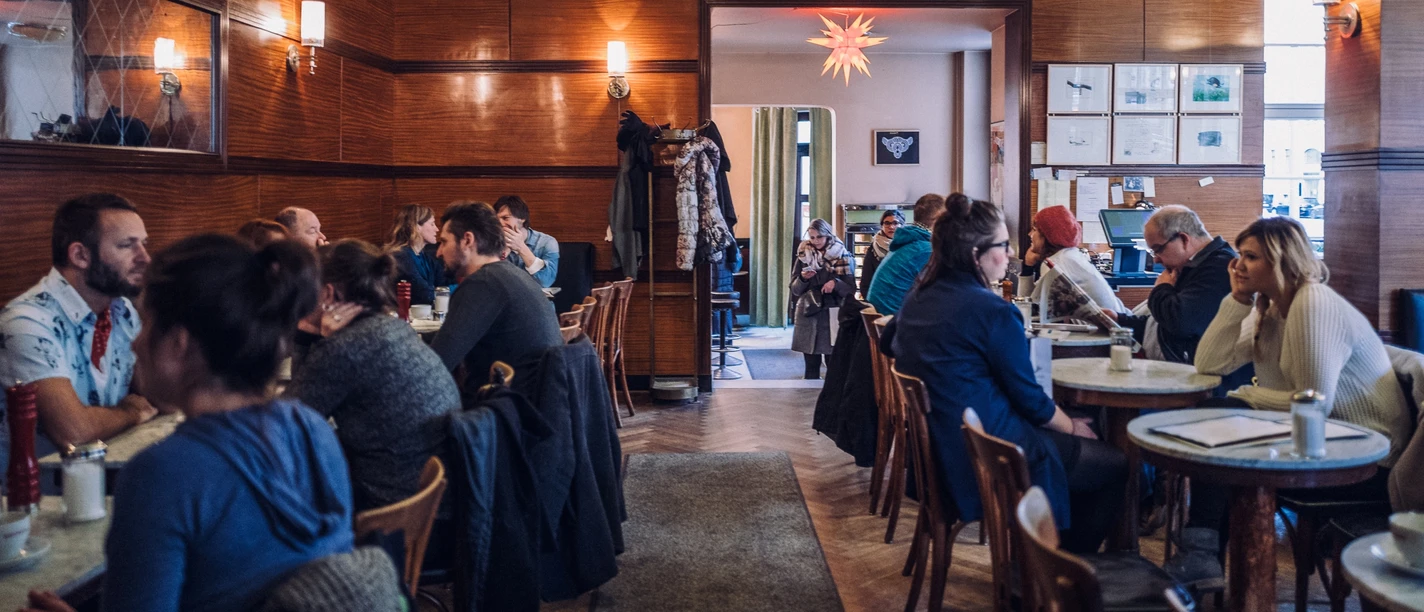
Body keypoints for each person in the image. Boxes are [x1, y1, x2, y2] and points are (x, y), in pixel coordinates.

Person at [23, 235, 353, 612]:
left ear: (178, 344)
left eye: (146, 325)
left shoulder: (162, 474)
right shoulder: (313, 429)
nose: (135, 344)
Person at [1172, 216, 1412, 585]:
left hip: (1364, 458)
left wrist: (1246, 395)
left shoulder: (1311, 302)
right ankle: (1204, 559)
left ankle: (1203, 555)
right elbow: (1210, 364)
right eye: (1238, 255)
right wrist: (1236, 299)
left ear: (1281, 259)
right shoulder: (1269, 306)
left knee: (1221, 421)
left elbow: (1315, 404)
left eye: (1250, 257)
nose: (1237, 265)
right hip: (1317, 443)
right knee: (1222, 439)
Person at [884, 196, 1125, 554]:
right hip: (990, 453)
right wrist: (1072, 427)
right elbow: (1030, 399)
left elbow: (889, 342)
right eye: (1002, 244)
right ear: (974, 254)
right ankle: (1056, 575)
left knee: (1079, 447)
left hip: (944, 446)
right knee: (1115, 465)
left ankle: (1034, 566)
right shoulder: (992, 311)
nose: (1011, 253)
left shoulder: (920, 294)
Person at [285, 239, 461, 512]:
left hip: (390, 511)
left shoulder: (347, 348)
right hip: (433, 500)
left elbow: (287, 423)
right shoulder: (393, 328)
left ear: (328, 294)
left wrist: (304, 335)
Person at [0, 194, 158, 460]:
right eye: (127, 246)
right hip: (27, 495)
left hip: (93, 480)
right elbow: (73, 432)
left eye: (143, 244)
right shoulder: (27, 323)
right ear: (80, 255)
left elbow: (159, 395)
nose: (146, 258)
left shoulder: (122, 310)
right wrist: (130, 413)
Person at [431, 202, 562, 399]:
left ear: (467, 240)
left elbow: (438, 363)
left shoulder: (482, 284)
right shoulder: (513, 275)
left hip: (509, 415)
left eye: (444, 242)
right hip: (538, 408)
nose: (438, 252)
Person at [1108, 206, 1251, 383]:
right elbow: (1161, 324)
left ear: (1183, 239)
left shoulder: (1218, 268)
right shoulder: (1192, 266)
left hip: (1202, 383)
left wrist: (1161, 289)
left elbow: (1181, 322)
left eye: (1158, 249)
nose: (1156, 259)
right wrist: (1119, 320)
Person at [1023, 204, 1124, 320]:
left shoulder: (1057, 263)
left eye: (1034, 230)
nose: (1030, 234)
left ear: (1048, 236)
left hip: (1102, 332)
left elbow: (1028, 310)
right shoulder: (1072, 256)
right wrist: (1028, 265)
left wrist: (1027, 267)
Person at [789, 218, 855, 380]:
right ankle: (807, 399)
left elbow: (850, 290)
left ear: (828, 236)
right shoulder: (803, 255)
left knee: (833, 363)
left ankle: (831, 399)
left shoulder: (843, 255)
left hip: (832, 312)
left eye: (819, 237)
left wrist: (836, 283)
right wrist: (803, 278)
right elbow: (795, 289)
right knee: (810, 364)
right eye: (812, 237)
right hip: (808, 311)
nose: (816, 241)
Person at [865, 193, 949, 314]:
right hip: (896, 326)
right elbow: (940, 294)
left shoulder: (909, 243)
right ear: (938, 220)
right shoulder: (925, 250)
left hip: (884, 323)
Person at [385, 205, 447, 305]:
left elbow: (443, 286)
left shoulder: (425, 257)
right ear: (417, 227)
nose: (437, 229)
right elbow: (426, 295)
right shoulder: (400, 257)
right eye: (432, 224)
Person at [494, 195, 559, 288]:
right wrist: (502, 254)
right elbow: (487, 281)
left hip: (537, 301)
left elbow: (546, 281)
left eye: (505, 218)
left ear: (522, 218)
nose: (500, 224)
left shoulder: (547, 242)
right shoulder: (492, 242)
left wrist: (521, 247)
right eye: (496, 219)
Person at [858, 209, 904, 299]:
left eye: (895, 223)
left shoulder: (908, 246)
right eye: (887, 223)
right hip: (880, 299)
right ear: (882, 225)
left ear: (902, 225)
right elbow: (866, 282)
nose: (891, 227)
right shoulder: (873, 249)